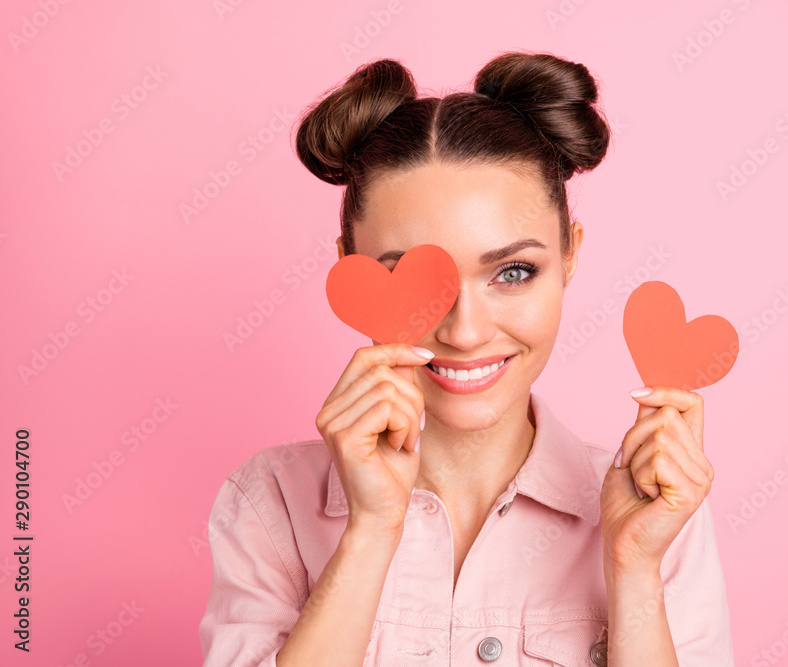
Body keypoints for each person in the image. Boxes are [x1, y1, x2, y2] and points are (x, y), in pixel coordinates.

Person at [199, 51, 734, 666]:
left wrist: (632, 566)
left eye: (512, 272)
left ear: (570, 256)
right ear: (350, 267)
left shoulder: (659, 508)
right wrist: (370, 533)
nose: (466, 330)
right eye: (412, 276)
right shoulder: (272, 504)